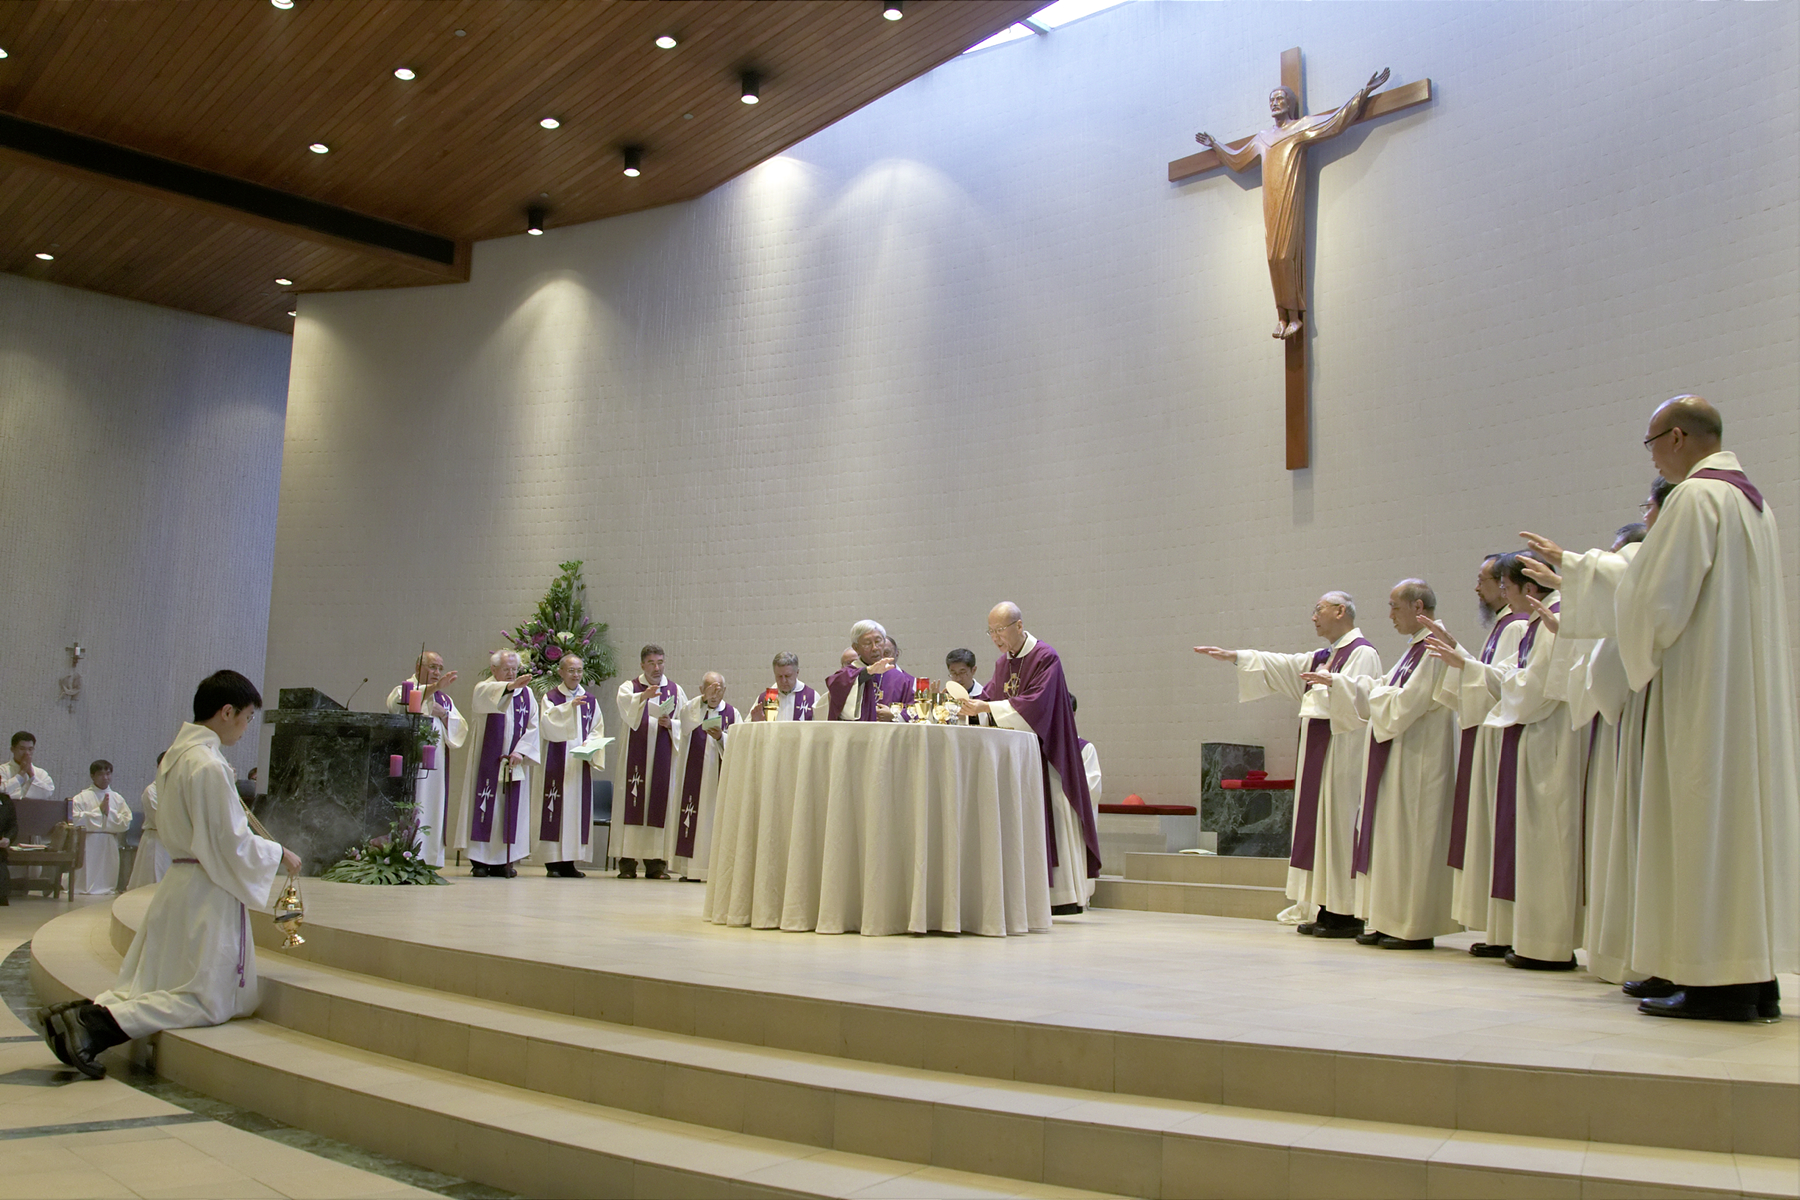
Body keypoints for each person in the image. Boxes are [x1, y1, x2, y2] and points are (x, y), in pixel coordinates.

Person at [1600, 397, 1795, 1020]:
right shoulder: (1753, 503)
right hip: (1741, 696)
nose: (1653, 456)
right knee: (1740, 831)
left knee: (1702, 823)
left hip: (1703, 694)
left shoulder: (1694, 498)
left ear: (1678, 437)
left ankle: (1717, 985)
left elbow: (1656, 600)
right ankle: (1753, 978)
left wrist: (1595, 597)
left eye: (1652, 442)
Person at [36, 670, 301, 1080]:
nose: (246, 728)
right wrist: (278, 853)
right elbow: (227, 841)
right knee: (207, 998)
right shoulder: (208, 764)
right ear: (226, 712)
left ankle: (76, 1017)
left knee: (158, 985)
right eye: (247, 717)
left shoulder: (179, 756)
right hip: (206, 890)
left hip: (181, 882)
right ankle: (92, 1026)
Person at [1525, 494, 1664, 984]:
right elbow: (1605, 643)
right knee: (1615, 843)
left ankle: (1644, 956)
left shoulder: (1659, 561)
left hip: (1640, 722)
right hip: (1618, 726)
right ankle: (1621, 952)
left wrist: (1565, 566)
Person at [1426, 554, 1585, 969]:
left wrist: (1473, 668)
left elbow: (1536, 685)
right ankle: (1529, 939)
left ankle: (1549, 945)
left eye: (1505, 586)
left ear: (1527, 588)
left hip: (1548, 739)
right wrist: (1465, 662)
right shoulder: (1532, 624)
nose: (1500, 592)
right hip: (1529, 735)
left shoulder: (1547, 620)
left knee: (1547, 841)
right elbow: (1511, 676)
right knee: (1529, 842)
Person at [1196, 592, 1381, 937]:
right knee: (1321, 831)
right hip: (1320, 758)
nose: (1313, 617)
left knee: (1339, 829)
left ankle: (1347, 912)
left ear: (1340, 611)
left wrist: (1335, 682)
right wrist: (1237, 657)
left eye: (1319, 609)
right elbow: (1284, 665)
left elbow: (1365, 698)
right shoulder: (1325, 656)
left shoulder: (1362, 653)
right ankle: (1325, 906)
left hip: (1343, 758)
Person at [1304, 581, 1456, 948]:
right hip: (1399, 757)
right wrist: (1338, 682)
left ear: (1417, 607)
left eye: (1394, 607)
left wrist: (1376, 693)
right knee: (1393, 842)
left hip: (1421, 760)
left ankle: (1415, 927)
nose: (1389, 615)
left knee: (1414, 842)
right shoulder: (1413, 649)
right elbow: (1382, 688)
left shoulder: (1435, 646)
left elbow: (1408, 703)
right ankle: (1391, 920)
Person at [959, 602, 1103, 914]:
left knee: (1053, 820)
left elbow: (1037, 704)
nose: (995, 638)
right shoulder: (1003, 664)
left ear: (1019, 626)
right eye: (990, 632)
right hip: (1019, 759)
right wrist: (968, 706)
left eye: (1000, 630)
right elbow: (990, 697)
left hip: (1048, 754)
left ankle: (1061, 897)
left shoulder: (1045, 657)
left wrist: (987, 708)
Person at [1436, 556, 1531, 934]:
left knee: (1501, 832)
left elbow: (1501, 682)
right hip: (1490, 738)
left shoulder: (1517, 625)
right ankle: (1497, 926)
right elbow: (1488, 675)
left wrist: (1462, 661)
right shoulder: (1502, 626)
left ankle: (1506, 928)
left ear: (1505, 584)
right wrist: (1459, 653)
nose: (1477, 588)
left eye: (1484, 580)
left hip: (1503, 739)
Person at [453, 649, 541, 878]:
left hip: (514, 762)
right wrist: (510, 687)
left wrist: (521, 751)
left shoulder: (527, 693)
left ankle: (504, 861)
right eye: (506, 669)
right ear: (494, 669)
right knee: (485, 806)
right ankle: (479, 861)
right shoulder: (484, 688)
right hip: (487, 762)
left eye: (514, 669)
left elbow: (533, 725)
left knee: (508, 811)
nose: (512, 673)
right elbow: (485, 702)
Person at [384, 650, 468, 866]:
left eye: (440, 668)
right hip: (410, 762)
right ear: (417, 668)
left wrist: (445, 714)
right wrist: (434, 688)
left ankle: (428, 857)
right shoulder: (404, 689)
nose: (437, 672)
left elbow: (460, 729)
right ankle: (403, 853)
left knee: (432, 803)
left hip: (435, 766)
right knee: (410, 801)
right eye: (432, 667)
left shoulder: (444, 699)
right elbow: (395, 705)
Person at [615, 645, 687, 879]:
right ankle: (627, 863)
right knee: (632, 803)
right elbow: (626, 712)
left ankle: (656, 864)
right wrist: (643, 697)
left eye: (660, 662)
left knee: (659, 806)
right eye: (652, 663)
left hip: (662, 759)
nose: (657, 668)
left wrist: (672, 724)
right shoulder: (630, 687)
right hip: (635, 760)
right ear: (642, 665)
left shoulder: (675, 690)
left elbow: (686, 722)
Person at [537, 654, 608, 878]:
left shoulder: (590, 699)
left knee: (576, 810)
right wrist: (569, 707)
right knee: (555, 808)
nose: (576, 675)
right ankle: (553, 863)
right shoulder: (551, 697)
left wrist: (590, 743)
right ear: (561, 672)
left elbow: (597, 727)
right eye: (571, 670)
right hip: (556, 761)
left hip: (578, 765)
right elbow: (546, 723)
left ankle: (569, 862)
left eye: (579, 670)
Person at [672, 672, 736, 883]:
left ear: (725, 690)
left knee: (714, 822)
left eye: (718, 689)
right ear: (701, 690)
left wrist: (721, 737)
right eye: (709, 689)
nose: (714, 694)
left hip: (718, 780)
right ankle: (690, 870)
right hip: (693, 778)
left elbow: (739, 745)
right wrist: (703, 700)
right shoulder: (693, 710)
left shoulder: (732, 714)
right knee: (693, 820)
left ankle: (713, 871)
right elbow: (684, 722)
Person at [824, 621, 913, 722]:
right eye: (867, 643)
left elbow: (914, 709)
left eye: (878, 641)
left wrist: (894, 715)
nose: (874, 648)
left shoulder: (897, 677)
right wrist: (867, 672)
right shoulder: (846, 675)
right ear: (856, 648)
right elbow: (836, 688)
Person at [70, 761, 131, 895]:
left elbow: (126, 822)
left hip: (109, 841)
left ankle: (106, 887)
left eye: (108, 774)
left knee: (107, 871)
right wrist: (99, 812)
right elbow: (74, 819)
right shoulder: (81, 797)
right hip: (88, 840)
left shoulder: (117, 798)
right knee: (87, 870)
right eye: (101, 774)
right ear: (92, 776)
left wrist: (109, 812)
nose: (105, 778)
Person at [125, 753, 171, 889]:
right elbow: (160, 817)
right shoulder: (152, 791)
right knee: (153, 880)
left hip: (173, 841)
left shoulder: (177, 789)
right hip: (156, 839)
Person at [748, 652, 816, 721]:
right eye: (779, 676)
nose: (783, 681)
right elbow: (746, 725)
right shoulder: (766, 698)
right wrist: (755, 723)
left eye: (787, 676)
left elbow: (820, 725)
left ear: (797, 672)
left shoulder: (812, 697)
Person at [946, 649, 985, 724]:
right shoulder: (947, 695)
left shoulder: (984, 696)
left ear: (973, 670)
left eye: (962, 672)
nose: (958, 678)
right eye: (953, 673)